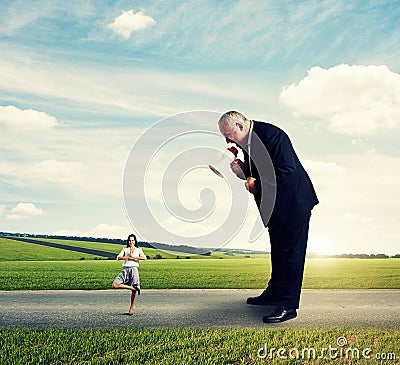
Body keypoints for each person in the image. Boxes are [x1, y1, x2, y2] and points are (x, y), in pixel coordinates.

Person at [218, 111, 318, 323]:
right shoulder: (249, 144)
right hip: (275, 207)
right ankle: (274, 294)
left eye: (228, 134)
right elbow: (259, 174)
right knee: (279, 252)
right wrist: (242, 172)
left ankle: (288, 305)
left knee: (291, 255)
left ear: (239, 126)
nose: (227, 140)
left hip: (293, 203)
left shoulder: (272, 136)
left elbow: (287, 172)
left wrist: (257, 184)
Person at [112, 233, 147, 315]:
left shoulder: (138, 250)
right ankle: (132, 288)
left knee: (134, 292)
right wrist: (127, 256)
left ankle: (131, 309)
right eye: (129, 240)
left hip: (134, 269)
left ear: (135, 241)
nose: (131, 242)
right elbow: (118, 257)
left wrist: (134, 257)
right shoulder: (125, 250)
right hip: (125, 269)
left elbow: (144, 257)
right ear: (128, 242)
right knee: (114, 285)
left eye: (132, 240)